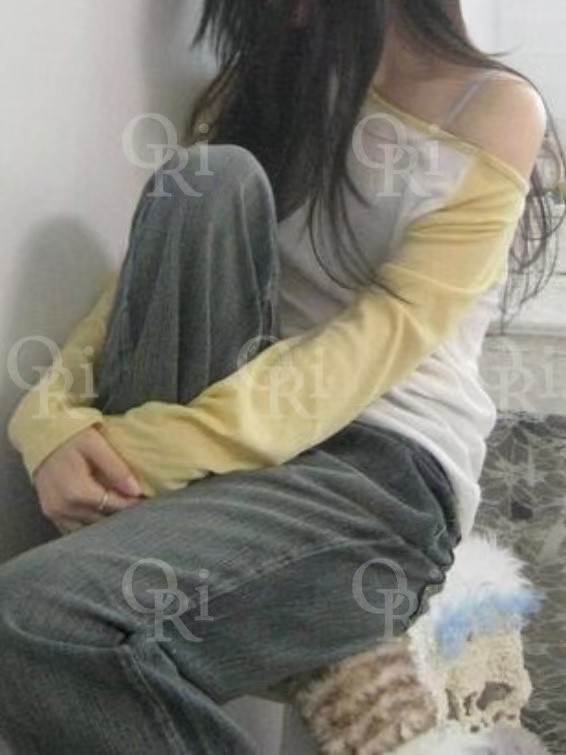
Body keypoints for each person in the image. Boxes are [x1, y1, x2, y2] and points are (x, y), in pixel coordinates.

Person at [0, 1, 560, 752]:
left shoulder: (497, 108)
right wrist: (51, 421)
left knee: (34, 617)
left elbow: (383, 333)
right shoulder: (267, 86)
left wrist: (139, 452)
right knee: (208, 181)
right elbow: (134, 295)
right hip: (232, 440)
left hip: (380, 474)